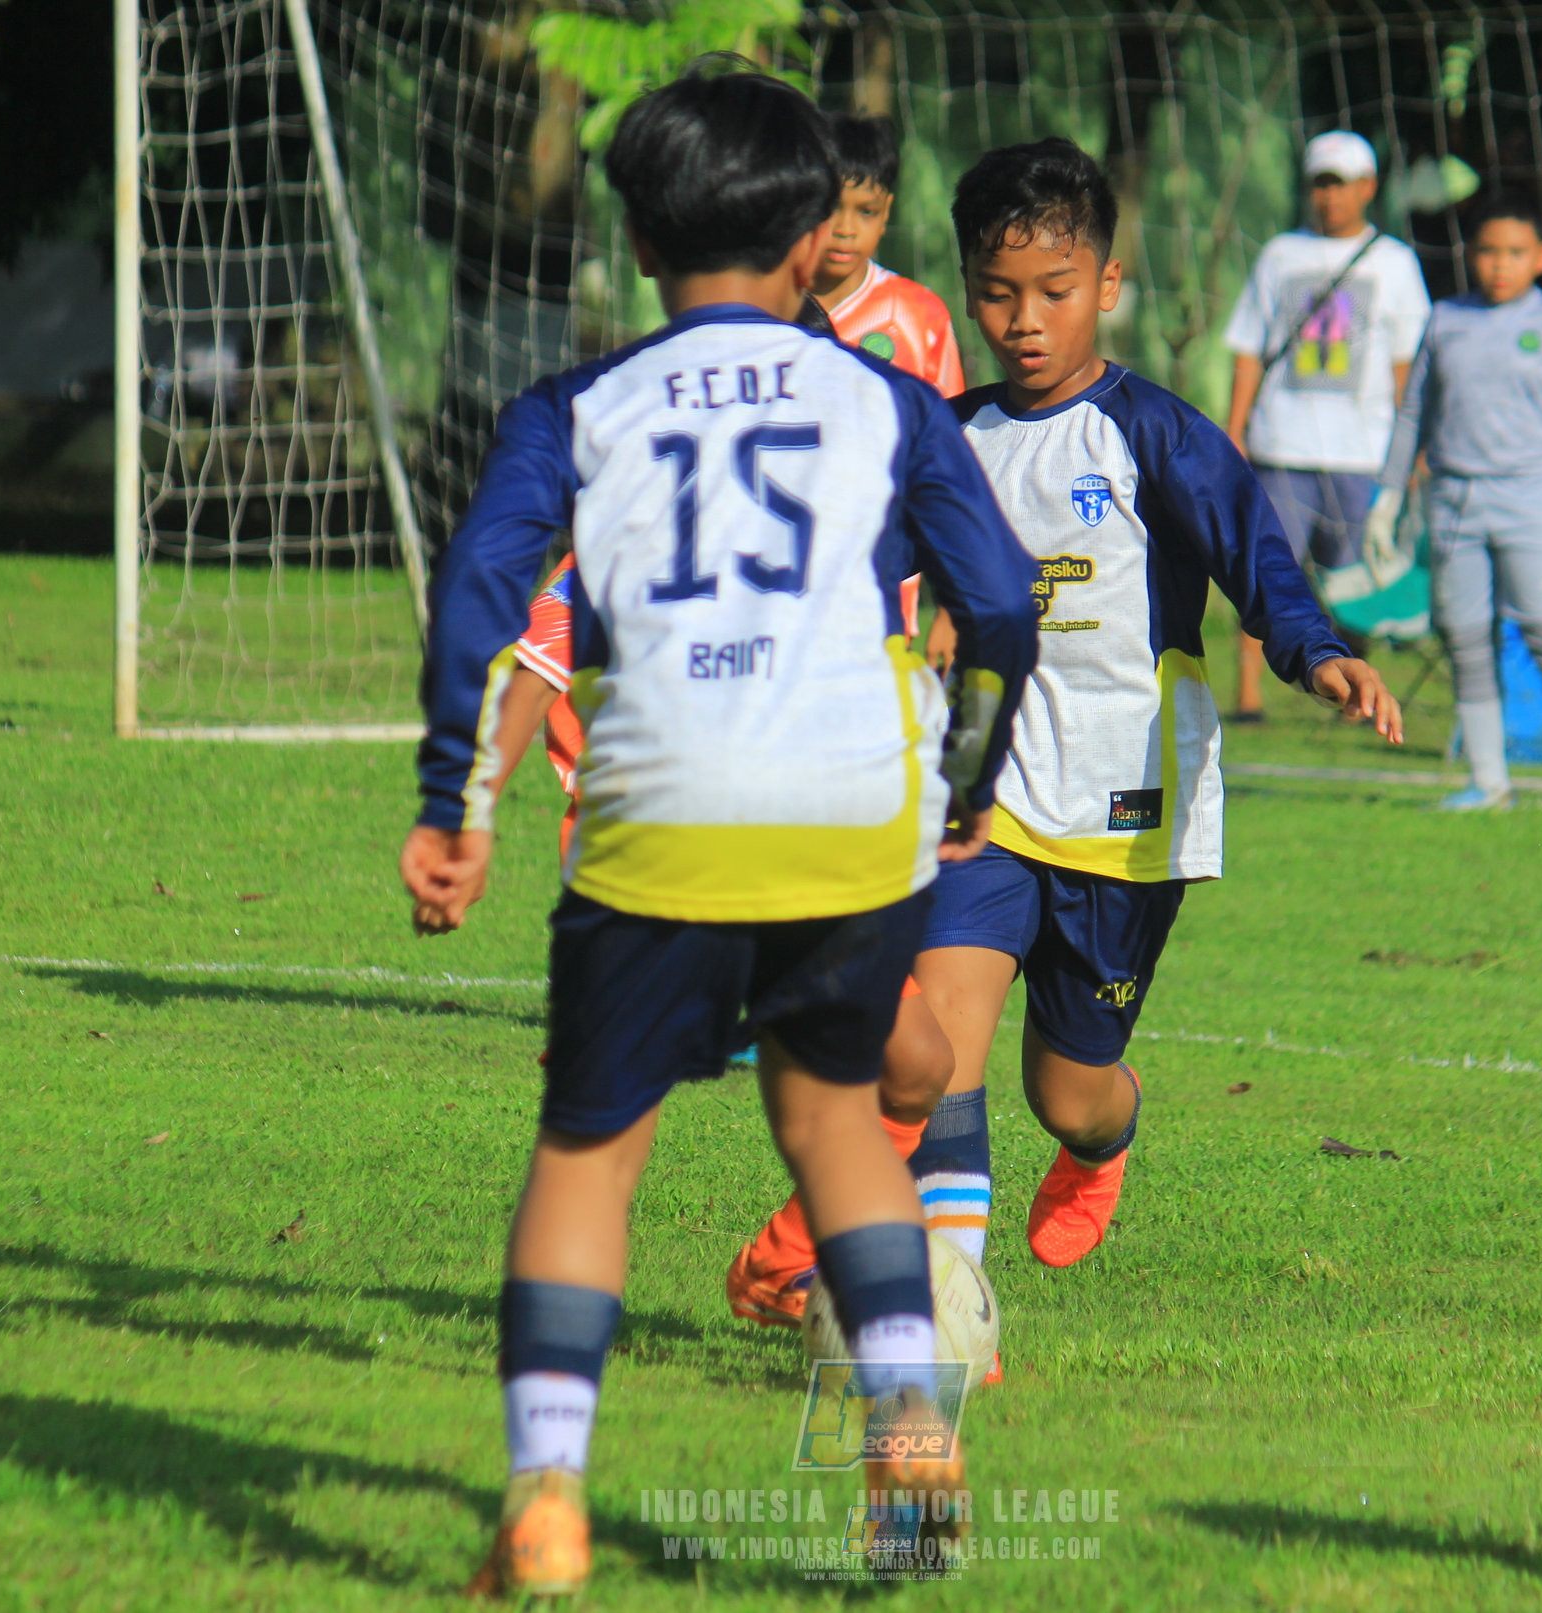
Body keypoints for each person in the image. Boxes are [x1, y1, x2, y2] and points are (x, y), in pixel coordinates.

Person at [398, 64, 1039, 1597]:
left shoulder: (580, 407)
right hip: (845, 808)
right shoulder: (884, 399)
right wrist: (967, 765)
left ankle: (546, 1497)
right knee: (831, 1117)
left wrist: (453, 802)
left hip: (660, 805)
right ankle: (904, 1423)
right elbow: (1000, 600)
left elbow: (481, 601)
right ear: (817, 227)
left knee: (589, 1149)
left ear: (632, 237)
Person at [834, 136, 1400, 1288]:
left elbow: (1256, 556)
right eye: (998, 294)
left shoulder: (1156, 434)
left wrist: (1316, 652)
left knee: (1066, 1089)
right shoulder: (950, 439)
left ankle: (1104, 1138)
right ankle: (948, 1300)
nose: (1025, 320)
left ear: (1107, 285)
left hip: (1126, 793)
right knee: (940, 1039)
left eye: (1055, 291)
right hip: (978, 785)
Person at [1367, 190, 1542, 822]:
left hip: (1535, 501)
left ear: (1541, 256)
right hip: (1455, 503)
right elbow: (1414, 413)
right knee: (1466, 640)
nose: (1499, 264)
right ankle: (1490, 782)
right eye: (1488, 251)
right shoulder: (1446, 320)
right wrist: (1387, 498)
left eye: (1514, 252)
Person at [1220, 129, 1431, 719]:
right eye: (1320, 183)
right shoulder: (1280, 255)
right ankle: (1248, 696)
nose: (1329, 196)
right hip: (1282, 445)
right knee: (1263, 571)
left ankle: (1355, 694)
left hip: (1362, 451)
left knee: (1356, 583)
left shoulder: (1394, 263)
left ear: (1367, 188)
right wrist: (1234, 430)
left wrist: (1411, 448)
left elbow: (1405, 366)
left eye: (1340, 183)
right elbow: (1247, 349)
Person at [814, 113, 966, 397]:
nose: (845, 229)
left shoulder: (921, 315)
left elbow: (947, 428)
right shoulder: (769, 308)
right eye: (830, 208)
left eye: (866, 212)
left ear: (886, 211)